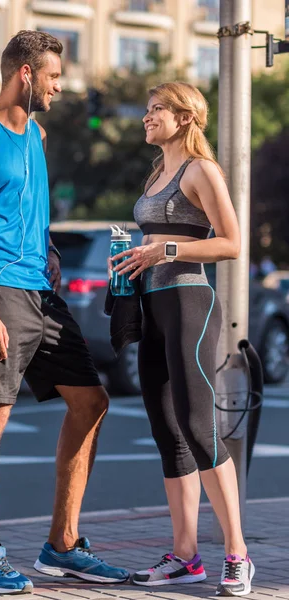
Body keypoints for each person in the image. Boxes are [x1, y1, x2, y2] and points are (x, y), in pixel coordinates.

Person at [0, 30, 129, 595]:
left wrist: (47, 252)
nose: (59, 86)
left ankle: (63, 545)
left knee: (91, 402)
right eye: (53, 76)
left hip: (43, 294)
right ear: (26, 73)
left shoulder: (38, 135)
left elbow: (32, 209)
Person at [112, 82, 255, 597]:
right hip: (152, 306)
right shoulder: (158, 174)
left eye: (157, 109)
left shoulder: (201, 170)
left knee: (199, 426)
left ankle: (237, 553)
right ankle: (186, 555)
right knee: (167, 433)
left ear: (186, 117)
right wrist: (133, 259)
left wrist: (164, 248)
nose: (147, 116)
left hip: (191, 303)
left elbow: (232, 241)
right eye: (148, 108)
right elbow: (152, 242)